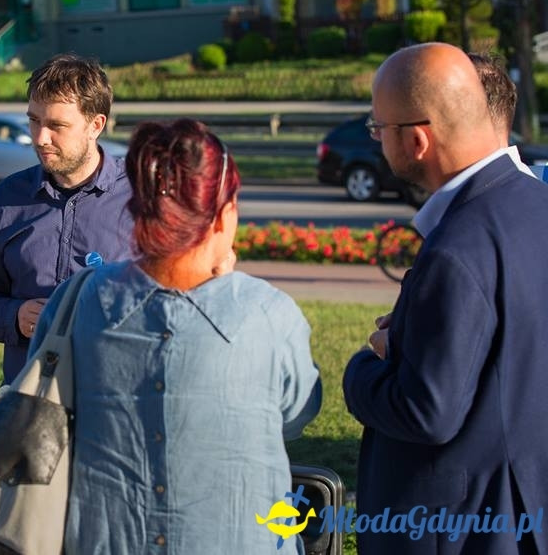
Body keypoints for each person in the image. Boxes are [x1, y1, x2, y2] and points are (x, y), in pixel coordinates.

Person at [31, 118, 322, 554]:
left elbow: (40, 407)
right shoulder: (268, 313)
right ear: (223, 217)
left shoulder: (76, 301)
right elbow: (297, 412)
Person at [343, 42, 548, 554]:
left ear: (416, 140)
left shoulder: (458, 246)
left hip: (458, 529)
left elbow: (426, 412)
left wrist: (363, 370)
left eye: (379, 129)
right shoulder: (535, 203)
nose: (376, 140)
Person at [0, 53, 134, 384]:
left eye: (56, 125)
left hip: (112, 401)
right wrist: (14, 316)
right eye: (34, 121)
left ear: (95, 125)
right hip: (27, 403)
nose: (40, 138)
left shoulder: (140, 197)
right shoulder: (7, 198)